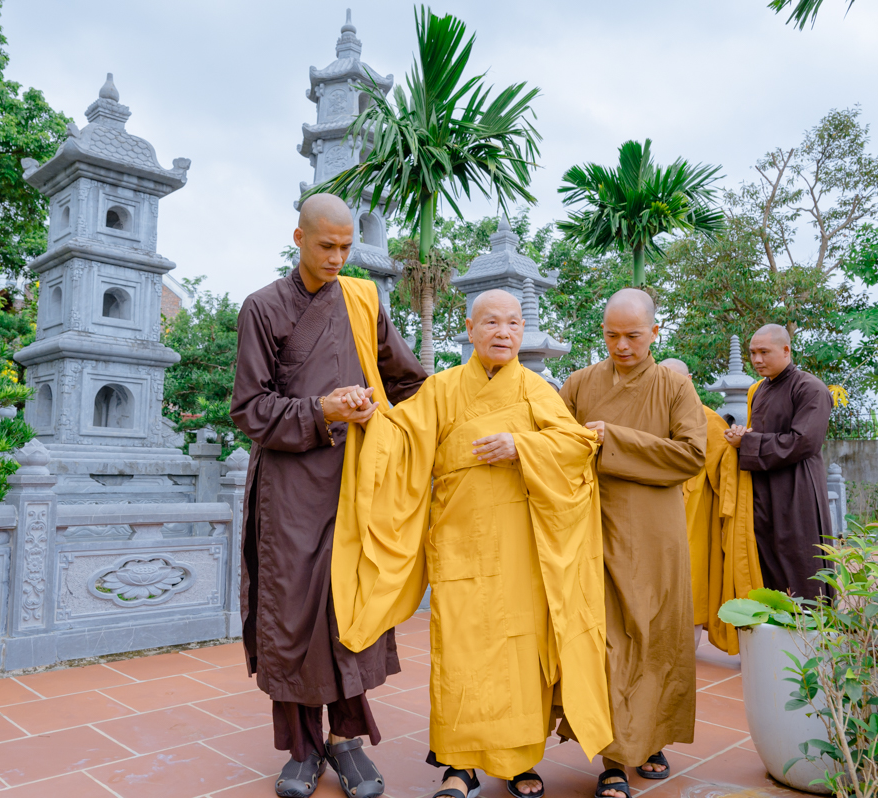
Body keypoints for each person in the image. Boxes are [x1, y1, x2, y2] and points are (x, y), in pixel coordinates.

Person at [331, 290, 611, 798]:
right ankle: (459, 766)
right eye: (491, 322)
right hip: (460, 543)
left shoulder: (535, 389)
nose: (503, 332)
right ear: (470, 328)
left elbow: (577, 445)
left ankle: (519, 761)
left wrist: (522, 445)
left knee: (520, 657)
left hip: (522, 548)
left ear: (522, 331)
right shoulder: (441, 388)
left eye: (513, 323)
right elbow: (402, 438)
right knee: (461, 657)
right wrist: (371, 416)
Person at [230, 193, 426, 798]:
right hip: (288, 489)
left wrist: (386, 429)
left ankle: (345, 741)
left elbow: (411, 382)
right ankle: (303, 748)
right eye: (326, 246)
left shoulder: (364, 303)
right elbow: (250, 409)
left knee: (349, 608)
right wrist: (322, 408)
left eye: (346, 246)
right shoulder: (262, 308)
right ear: (299, 237)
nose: (339, 257)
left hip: (354, 484)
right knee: (291, 615)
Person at [558, 290, 706, 798]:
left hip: (655, 533)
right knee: (609, 641)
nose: (621, 345)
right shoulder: (578, 384)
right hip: (595, 527)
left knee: (656, 637)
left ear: (654, 334)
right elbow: (553, 443)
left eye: (633, 335)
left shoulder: (674, 385)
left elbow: (691, 455)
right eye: (611, 334)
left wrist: (612, 439)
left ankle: (653, 736)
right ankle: (615, 756)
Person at [659, 359, 762, 657]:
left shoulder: (706, 419)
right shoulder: (652, 415)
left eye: (675, 380)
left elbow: (726, 467)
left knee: (691, 576)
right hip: (656, 508)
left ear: (689, 379)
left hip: (693, 512)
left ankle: (684, 650)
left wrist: (736, 445)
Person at [724, 324, 833, 600]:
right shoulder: (760, 390)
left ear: (786, 350)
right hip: (764, 490)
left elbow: (804, 441)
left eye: (764, 352)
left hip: (797, 488)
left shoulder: (810, 388)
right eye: (753, 353)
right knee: (767, 556)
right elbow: (757, 432)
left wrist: (747, 443)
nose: (757, 360)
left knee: (800, 557)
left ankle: (808, 634)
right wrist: (742, 435)